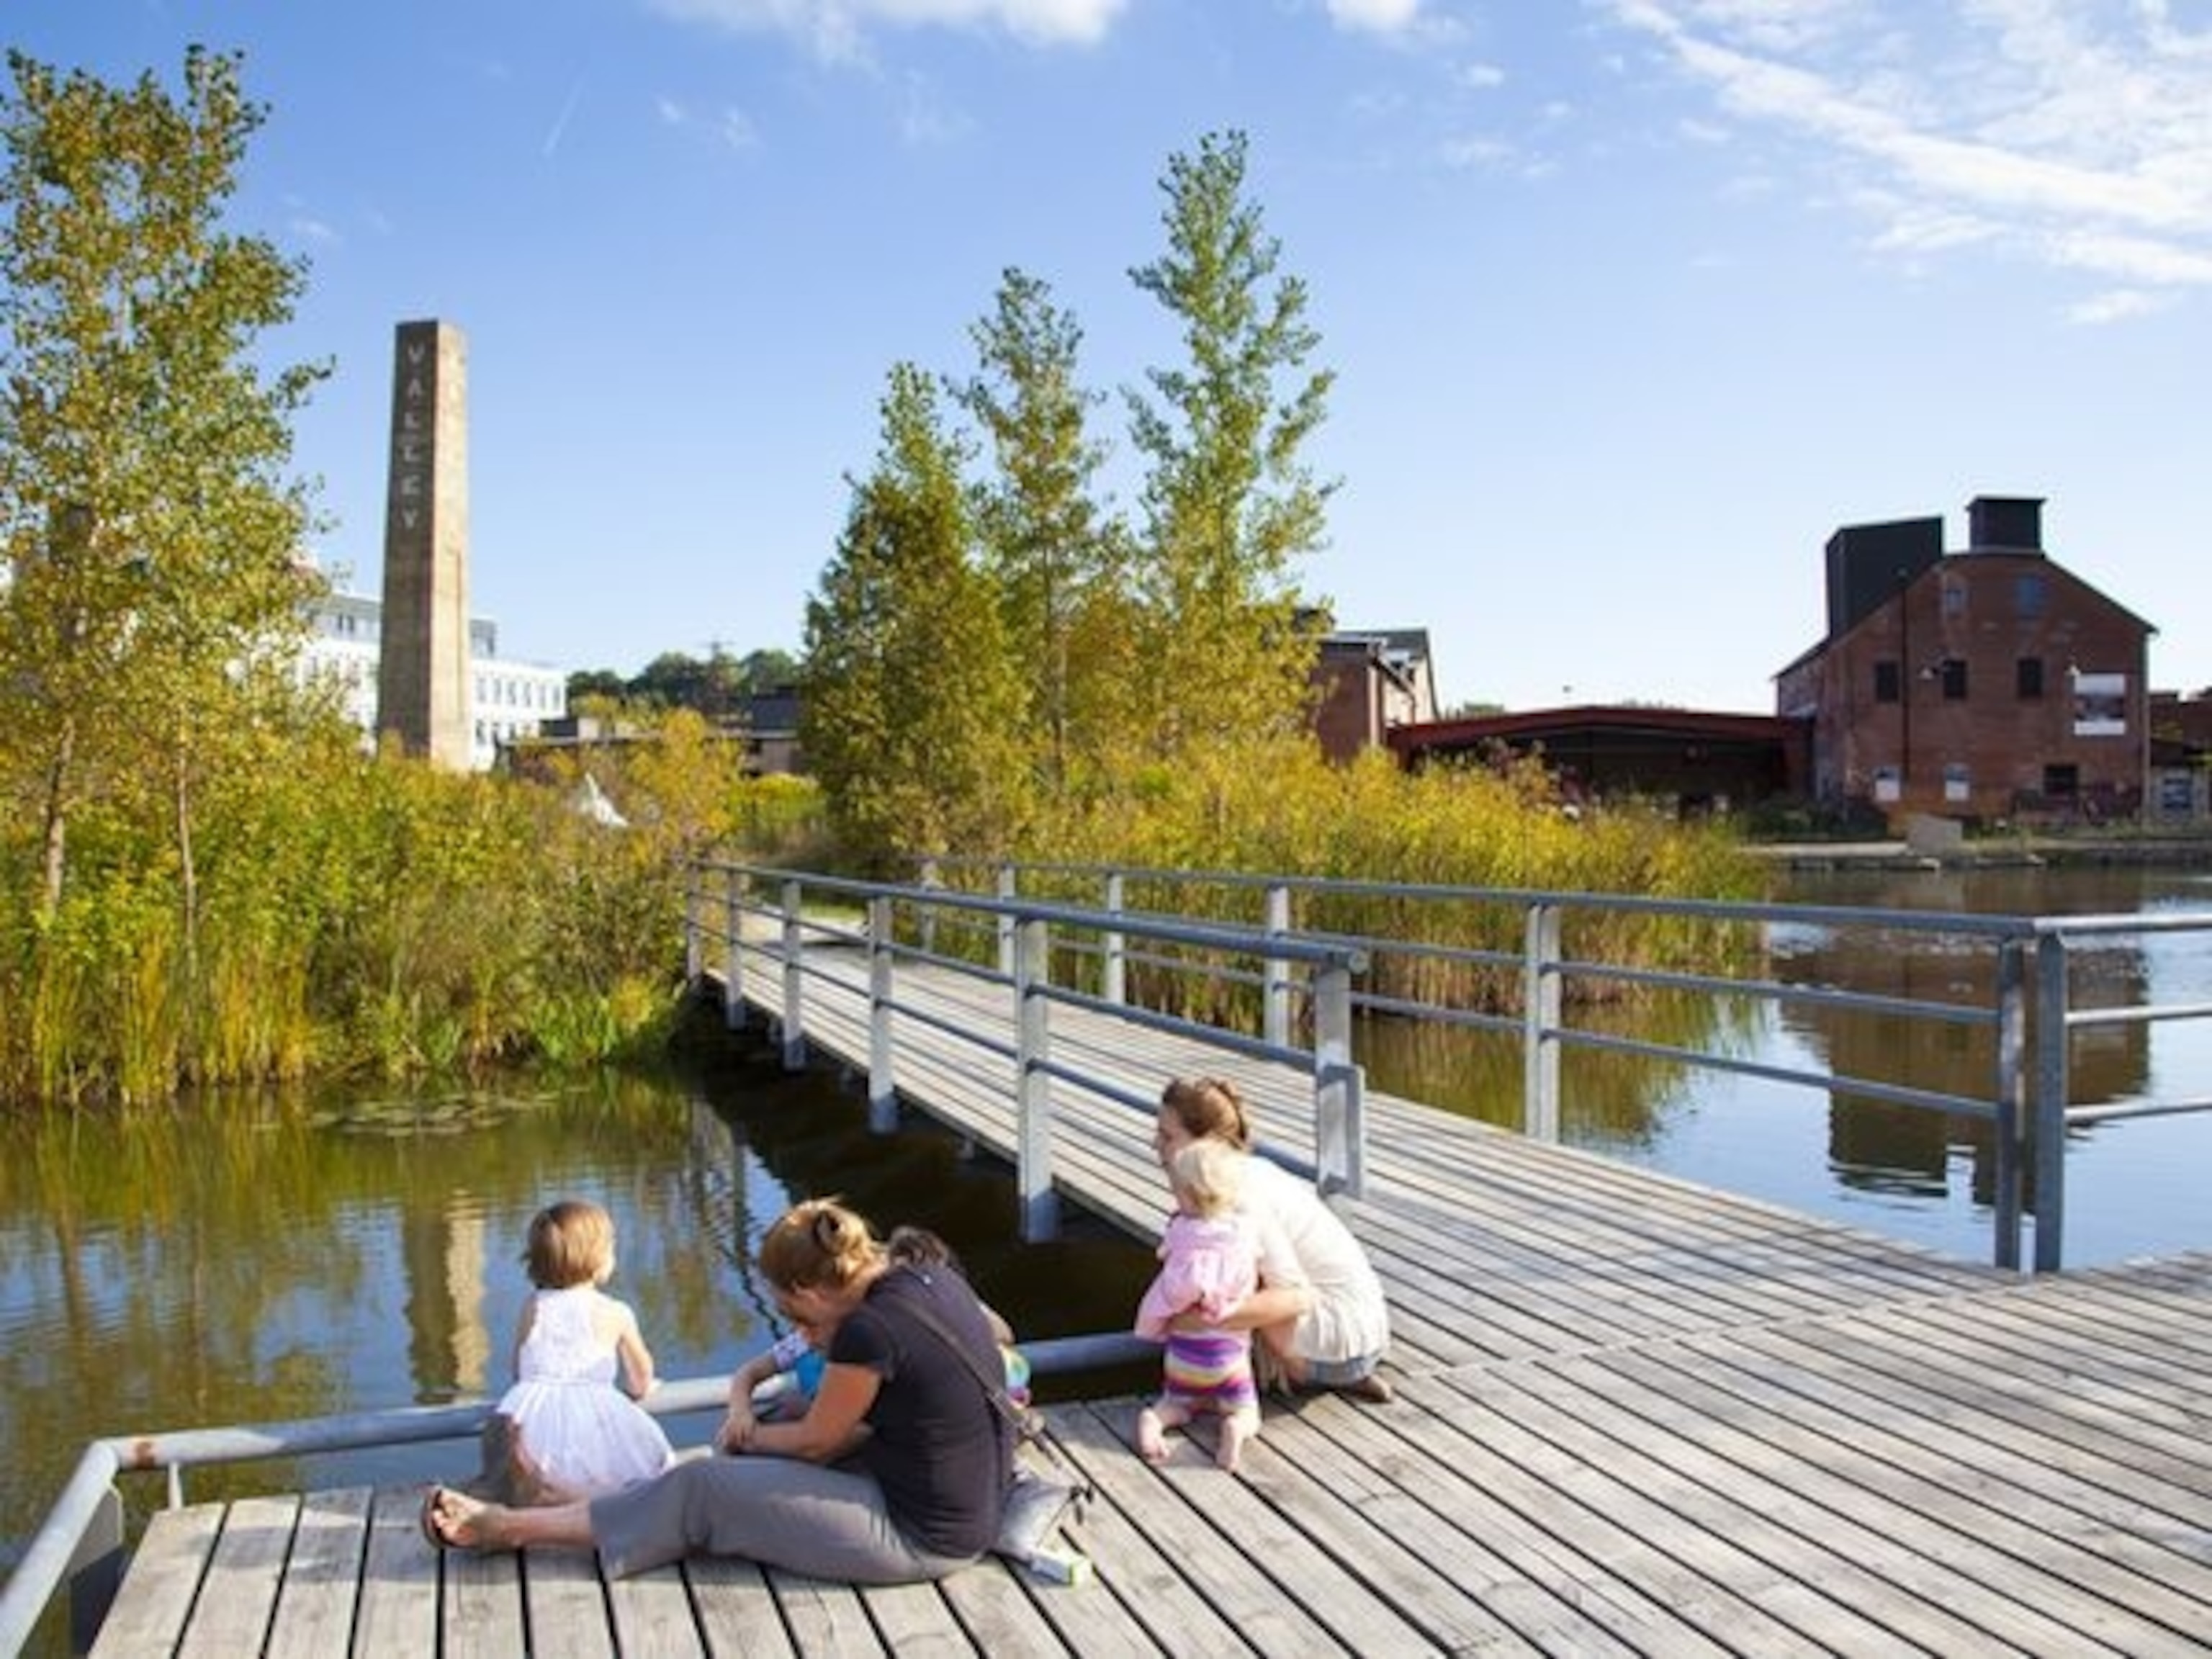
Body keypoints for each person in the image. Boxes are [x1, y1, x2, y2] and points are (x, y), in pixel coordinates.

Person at [423, 1197, 1014, 1585]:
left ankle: (507, 1527)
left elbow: (815, 1443)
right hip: (973, 1500)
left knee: (703, 1485)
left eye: (795, 1315)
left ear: (809, 1292)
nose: (800, 1332)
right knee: (782, 1410)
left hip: (921, 1537)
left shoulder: (869, 1328)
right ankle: (572, 1503)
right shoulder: (920, 1272)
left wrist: (747, 1432)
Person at [1154, 1075, 1393, 1403]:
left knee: (1220, 1272)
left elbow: (1297, 1295)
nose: (1156, 1144)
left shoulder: (1238, 1193)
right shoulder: (1233, 1174)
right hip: (1364, 1334)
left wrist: (1185, 1319)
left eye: (1167, 1136)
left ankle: (1308, 1370)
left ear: (1206, 1142)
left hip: (1341, 1340)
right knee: (1215, 1268)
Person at [486, 1199, 674, 1503]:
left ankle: (542, 1490)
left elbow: (519, 1372)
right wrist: (645, 1387)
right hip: (589, 1417)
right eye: (610, 1247)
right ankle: (579, 1498)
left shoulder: (532, 1307)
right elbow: (640, 1380)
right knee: (636, 1473)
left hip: (529, 1412)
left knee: (524, 1454)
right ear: (598, 1260)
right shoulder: (615, 1312)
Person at [1133, 1138, 1266, 1470]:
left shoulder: (1180, 1230)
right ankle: (1235, 1428)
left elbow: (1163, 1255)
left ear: (1187, 1195)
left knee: (1177, 1403)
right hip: (1229, 1357)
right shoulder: (1243, 1230)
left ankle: (1155, 1421)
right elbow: (1257, 1262)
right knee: (1246, 1411)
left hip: (1183, 1359)